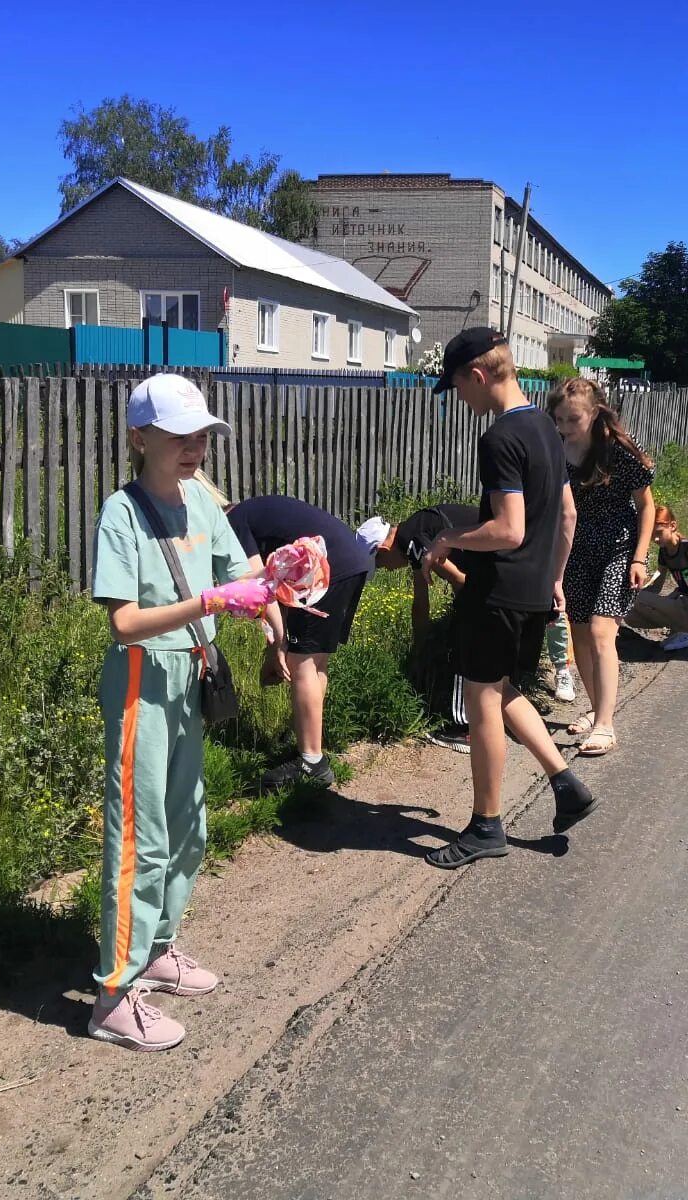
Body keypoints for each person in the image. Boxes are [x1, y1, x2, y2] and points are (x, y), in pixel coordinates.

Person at [88, 374, 253, 1051]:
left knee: (188, 829)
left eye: (200, 437)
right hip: (139, 681)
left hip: (190, 675)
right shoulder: (120, 514)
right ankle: (110, 999)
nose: (193, 449)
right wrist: (209, 606)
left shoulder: (201, 503)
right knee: (140, 841)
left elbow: (241, 572)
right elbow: (123, 622)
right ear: (138, 438)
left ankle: (156, 951)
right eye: (178, 437)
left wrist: (276, 597)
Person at [421, 328, 595, 868]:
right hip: (533, 590)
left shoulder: (499, 439)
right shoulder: (546, 426)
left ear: (476, 376)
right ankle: (565, 782)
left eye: (456, 388)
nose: (460, 401)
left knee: (481, 705)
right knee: (501, 687)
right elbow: (566, 515)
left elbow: (508, 530)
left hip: (496, 592)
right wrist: (555, 578)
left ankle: (486, 825)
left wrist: (448, 538)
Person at [226, 495, 381, 790]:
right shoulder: (253, 513)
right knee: (316, 661)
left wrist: (280, 643)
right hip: (350, 560)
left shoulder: (234, 523)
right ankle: (311, 745)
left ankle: (310, 763)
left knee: (303, 663)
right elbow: (280, 584)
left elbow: (259, 586)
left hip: (329, 566)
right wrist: (277, 646)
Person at [550, 378, 656, 757]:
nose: (564, 427)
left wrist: (640, 557)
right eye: (559, 419)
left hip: (618, 549)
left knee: (599, 633)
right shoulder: (556, 448)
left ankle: (606, 726)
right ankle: (598, 710)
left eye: (572, 419)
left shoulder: (618, 451)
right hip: (574, 552)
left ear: (595, 413)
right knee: (579, 638)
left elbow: (647, 507)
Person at [373, 501, 478, 749]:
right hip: (510, 559)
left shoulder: (411, 539)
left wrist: (465, 617)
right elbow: (421, 603)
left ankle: (465, 729)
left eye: (379, 564)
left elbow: (461, 582)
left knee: (462, 644)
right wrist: (419, 649)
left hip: (498, 563)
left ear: (383, 549)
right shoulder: (414, 534)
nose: (385, 570)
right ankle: (490, 716)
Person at [626, 504, 688, 651]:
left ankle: (686, 632)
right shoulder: (664, 552)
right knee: (630, 616)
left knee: (636, 598)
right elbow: (657, 586)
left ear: (673, 526)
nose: (656, 539)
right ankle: (681, 631)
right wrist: (638, 590)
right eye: (652, 535)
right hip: (682, 603)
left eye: (659, 532)